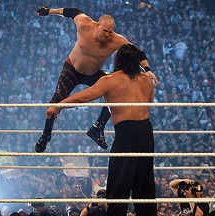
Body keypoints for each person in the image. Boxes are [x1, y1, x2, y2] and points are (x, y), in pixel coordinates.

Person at [46, 44, 157, 216]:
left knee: (119, 179)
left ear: (118, 60)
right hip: (146, 131)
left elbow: (84, 97)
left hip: (126, 132)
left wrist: (58, 106)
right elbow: (149, 102)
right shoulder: (146, 80)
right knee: (144, 182)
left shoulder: (110, 80)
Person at [35, 6, 158, 152]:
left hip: (94, 73)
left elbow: (137, 53)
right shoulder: (85, 24)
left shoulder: (117, 40)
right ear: (97, 25)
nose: (107, 35)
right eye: (104, 31)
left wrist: (148, 70)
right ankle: (46, 134)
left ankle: (97, 127)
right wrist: (50, 11)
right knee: (54, 105)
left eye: (110, 32)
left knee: (115, 91)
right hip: (72, 70)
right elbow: (72, 12)